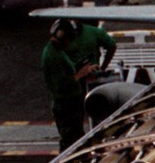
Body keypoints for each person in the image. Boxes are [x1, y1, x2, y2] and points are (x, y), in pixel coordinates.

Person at [43, 18, 116, 150]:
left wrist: (83, 67)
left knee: (77, 137)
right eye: (69, 39)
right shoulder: (54, 57)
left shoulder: (57, 51)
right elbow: (62, 84)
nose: (70, 43)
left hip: (71, 102)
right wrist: (80, 74)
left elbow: (68, 70)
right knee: (71, 141)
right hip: (65, 104)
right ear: (63, 37)